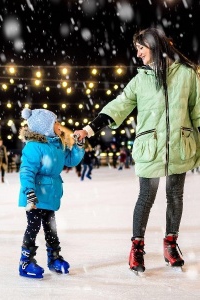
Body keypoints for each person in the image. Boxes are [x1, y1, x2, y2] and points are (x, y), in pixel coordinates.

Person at [74, 28, 200, 273]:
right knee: (146, 197)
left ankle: (170, 244)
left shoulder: (186, 74)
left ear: (154, 46)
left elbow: (197, 110)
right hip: (150, 147)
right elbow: (119, 105)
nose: (138, 54)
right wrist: (90, 129)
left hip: (179, 146)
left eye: (141, 48)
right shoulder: (141, 79)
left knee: (175, 196)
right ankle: (137, 248)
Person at [18, 108, 84, 279]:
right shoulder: (33, 147)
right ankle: (25, 262)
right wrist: (29, 192)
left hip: (50, 194)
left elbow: (70, 160)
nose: (59, 125)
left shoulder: (56, 145)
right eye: (55, 122)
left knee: (51, 228)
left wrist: (78, 145)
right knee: (33, 227)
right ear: (45, 126)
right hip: (35, 195)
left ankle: (54, 258)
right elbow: (26, 171)